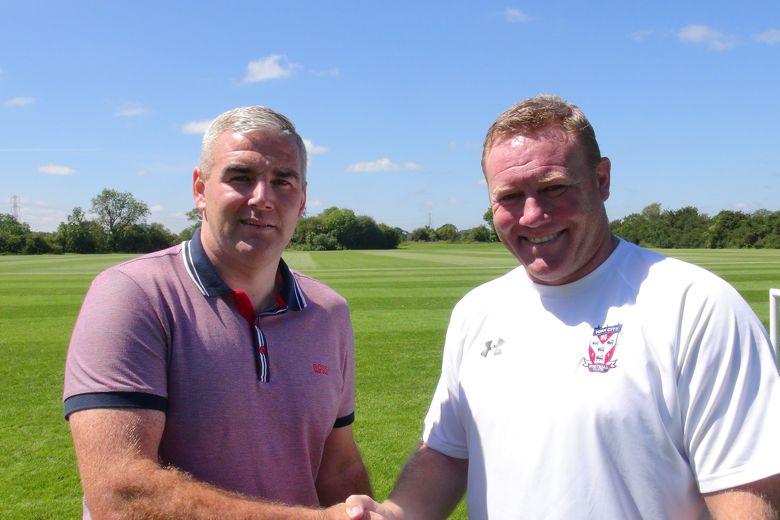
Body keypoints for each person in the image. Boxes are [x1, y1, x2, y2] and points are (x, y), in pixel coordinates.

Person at [345, 95, 780, 519]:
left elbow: (749, 493)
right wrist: (394, 514)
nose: (532, 215)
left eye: (553, 189)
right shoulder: (477, 311)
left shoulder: (695, 304)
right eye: (510, 196)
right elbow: (447, 453)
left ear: (602, 179)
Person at [63, 106, 371, 519]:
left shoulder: (328, 312)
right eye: (240, 177)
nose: (262, 198)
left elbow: (339, 466)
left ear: (301, 201)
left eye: (283, 181)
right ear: (199, 188)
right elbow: (121, 495)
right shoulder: (133, 294)